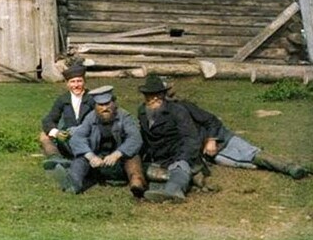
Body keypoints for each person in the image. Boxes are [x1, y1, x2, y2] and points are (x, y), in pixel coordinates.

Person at [176, 98, 309, 180]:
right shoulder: (161, 121)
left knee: (253, 153)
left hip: (223, 137)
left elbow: (212, 121)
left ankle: (294, 167)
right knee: (250, 163)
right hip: (214, 154)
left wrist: (211, 140)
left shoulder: (184, 106)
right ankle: (296, 166)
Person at [54, 85, 146, 198]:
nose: (104, 108)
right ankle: (73, 184)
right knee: (81, 159)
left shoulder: (124, 117)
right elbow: (78, 138)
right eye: (100, 105)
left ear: (114, 103)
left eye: (107, 104)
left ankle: (137, 184)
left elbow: (135, 138)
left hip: (119, 162)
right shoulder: (90, 117)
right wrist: (91, 156)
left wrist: (118, 154)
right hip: (97, 162)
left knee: (133, 158)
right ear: (95, 106)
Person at [136, 74, 203, 203]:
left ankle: (173, 191)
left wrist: (183, 158)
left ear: (164, 95)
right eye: (150, 95)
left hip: (178, 155)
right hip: (158, 159)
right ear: (145, 96)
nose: (155, 98)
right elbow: (144, 138)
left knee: (179, 168)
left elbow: (191, 139)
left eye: (158, 94)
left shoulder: (177, 111)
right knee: (135, 167)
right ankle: (185, 178)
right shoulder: (142, 112)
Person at [39, 63, 95, 169]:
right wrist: (57, 133)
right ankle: (55, 158)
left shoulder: (92, 98)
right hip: (68, 138)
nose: (76, 85)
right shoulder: (63, 99)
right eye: (72, 82)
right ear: (67, 84)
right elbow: (49, 119)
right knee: (44, 135)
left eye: (79, 81)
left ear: (84, 82)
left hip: (88, 138)